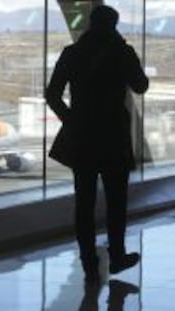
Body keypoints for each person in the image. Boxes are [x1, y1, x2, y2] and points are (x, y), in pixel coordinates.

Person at [45, 5, 149, 282]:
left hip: (83, 138)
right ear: (113, 25)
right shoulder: (122, 52)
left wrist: (71, 120)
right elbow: (140, 86)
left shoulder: (72, 53)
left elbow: (52, 94)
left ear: (91, 24)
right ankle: (116, 256)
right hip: (114, 135)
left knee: (84, 201)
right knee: (117, 201)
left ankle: (89, 263)